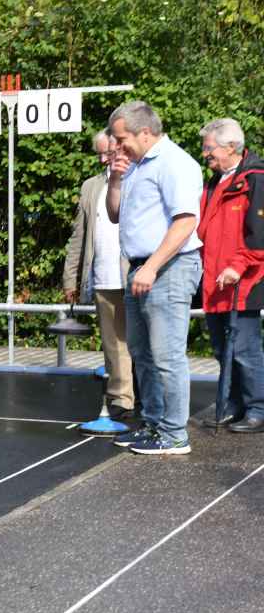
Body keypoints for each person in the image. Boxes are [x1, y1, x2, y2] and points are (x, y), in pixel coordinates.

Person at [105, 101, 203, 455]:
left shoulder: (175, 163)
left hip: (169, 268)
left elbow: (185, 221)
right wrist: (116, 177)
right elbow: (115, 214)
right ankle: (154, 423)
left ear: (144, 132)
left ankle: (175, 434)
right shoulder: (134, 166)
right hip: (140, 268)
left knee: (167, 355)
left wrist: (152, 266)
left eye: (121, 139)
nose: (118, 146)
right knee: (141, 353)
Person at [196, 118, 264, 433]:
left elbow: (259, 236)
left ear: (231, 147)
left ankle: (258, 408)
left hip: (244, 282)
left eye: (209, 148)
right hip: (215, 282)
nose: (205, 154)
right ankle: (234, 405)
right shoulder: (213, 183)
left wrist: (238, 266)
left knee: (246, 350)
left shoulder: (255, 179)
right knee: (223, 350)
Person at [62, 129, 135, 418]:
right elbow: (78, 236)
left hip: (135, 273)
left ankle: (144, 395)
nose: (104, 158)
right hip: (103, 275)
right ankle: (121, 399)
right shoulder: (90, 186)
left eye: (109, 152)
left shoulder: (139, 178)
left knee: (140, 342)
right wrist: (71, 278)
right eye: (100, 154)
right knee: (113, 344)